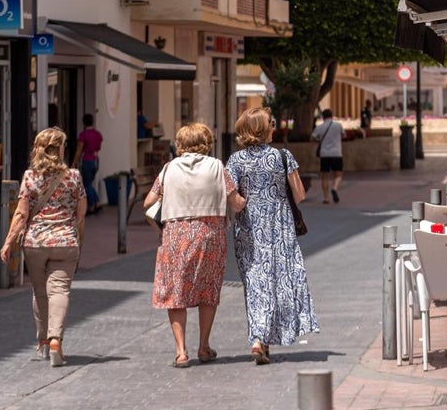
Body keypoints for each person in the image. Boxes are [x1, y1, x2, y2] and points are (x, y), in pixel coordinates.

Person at [144, 123, 246, 368]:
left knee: (176, 293)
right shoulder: (217, 167)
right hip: (209, 233)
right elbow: (237, 203)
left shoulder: (168, 169)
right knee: (207, 290)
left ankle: (181, 351)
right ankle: (204, 346)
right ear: (206, 143)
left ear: (180, 144)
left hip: (175, 235)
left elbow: (148, 202)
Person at [226, 107, 319, 364]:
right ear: (262, 129)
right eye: (270, 124)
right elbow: (299, 195)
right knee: (278, 281)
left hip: (248, 229)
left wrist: (248, 201)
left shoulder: (235, 161)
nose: (273, 128)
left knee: (255, 282)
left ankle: (259, 339)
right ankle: (262, 339)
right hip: (280, 226)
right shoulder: (282, 156)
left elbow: (234, 202)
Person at [0, 127, 86, 367]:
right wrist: (68, 227)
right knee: (59, 291)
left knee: (40, 292)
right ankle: (56, 339)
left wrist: (7, 242)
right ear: (60, 149)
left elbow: (20, 215)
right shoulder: (74, 177)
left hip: (35, 243)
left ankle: (43, 343)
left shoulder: (29, 177)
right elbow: (81, 213)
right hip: (65, 242)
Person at [311, 108, 344, 204]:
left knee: (324, 176)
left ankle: (326, 198)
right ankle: (334, 188)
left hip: (324, 154)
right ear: (332, 116)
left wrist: (320, 140)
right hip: (337, 153)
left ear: (323, 117)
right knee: (338, 175)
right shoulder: (338, 126)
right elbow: (344, 135)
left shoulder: (320, 127)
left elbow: (312, 138)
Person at [77, 114, 103, 213]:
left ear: (84, 123)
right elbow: (99, 147)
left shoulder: (83, 135)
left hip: (87, 160)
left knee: (86, 184)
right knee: (89, 183)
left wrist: (75, 162)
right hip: (96, 160)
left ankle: (91, 205)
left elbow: (79, 150)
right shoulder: (98, 134)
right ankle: (97, 202)